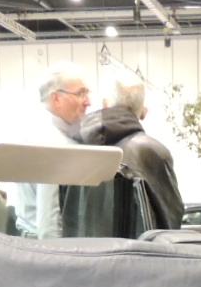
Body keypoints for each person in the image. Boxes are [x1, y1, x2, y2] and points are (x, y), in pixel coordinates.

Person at [78, 73, 184, 231]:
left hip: (82, 246)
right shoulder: (153, 153)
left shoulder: (75, 147)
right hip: (135, 247)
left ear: (106, 104)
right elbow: (171, 217)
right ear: (143, 112)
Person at [15, 63, 91, 239]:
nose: (88, 102)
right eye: (81, 93)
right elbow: (49, 223)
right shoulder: (53, 143)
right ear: (56, 99)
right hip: (46, 246)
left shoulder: (37, 131)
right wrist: (54, 253)